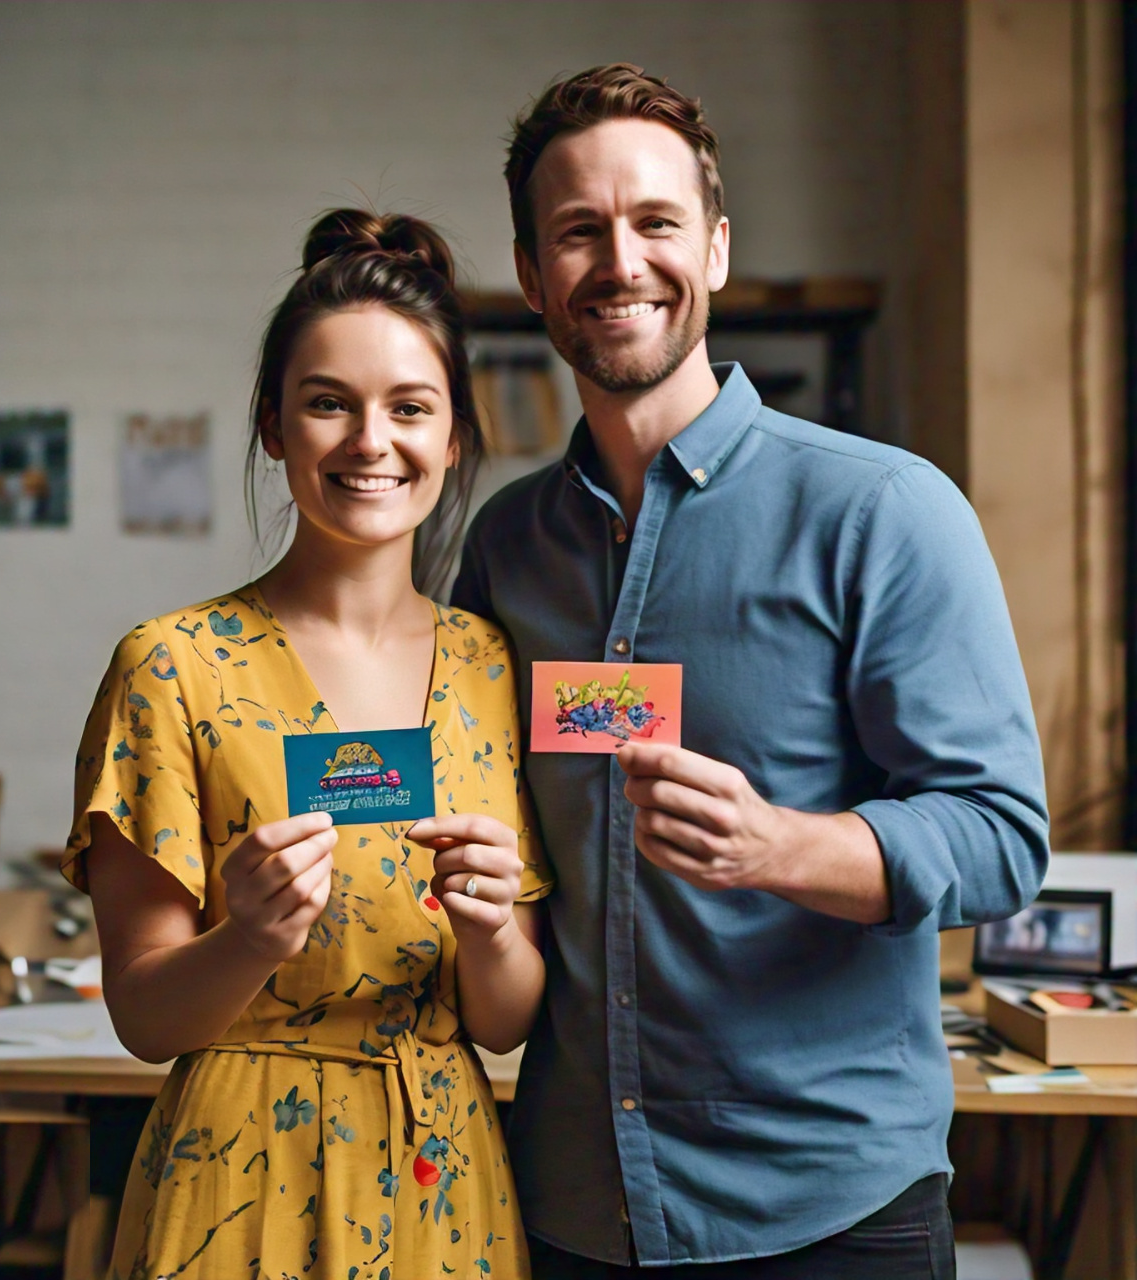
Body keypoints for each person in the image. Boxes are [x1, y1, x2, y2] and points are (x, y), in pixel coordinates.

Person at [452, 63, 1049, 1279]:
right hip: (573, 1205)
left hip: (825, 1210)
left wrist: (779, 845)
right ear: (531, 275)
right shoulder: (505, 546)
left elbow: (999, 834)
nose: (619, 260)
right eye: (577, 231)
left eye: (654, 222)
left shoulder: (881, 510)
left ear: (713, 251)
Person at [64, 209, 551, 1280]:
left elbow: (505, 1019)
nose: (370, 441)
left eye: (408, 407)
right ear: (274, 426)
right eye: (328, 403)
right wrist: (248, 937)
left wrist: (489, 929)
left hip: (443, 1170)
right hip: (238, 1179)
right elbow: (143, 1015)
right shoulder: (171, 665)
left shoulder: (488, 664)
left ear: (455, 434)